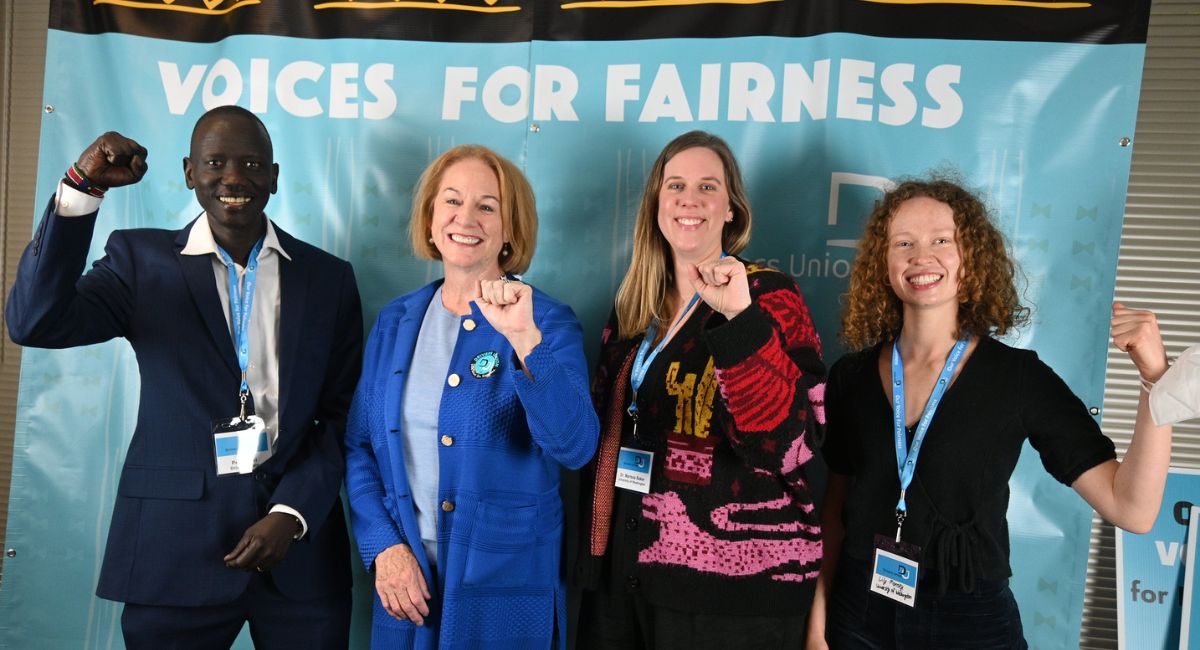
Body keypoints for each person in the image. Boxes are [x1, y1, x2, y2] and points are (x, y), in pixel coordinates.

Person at [5, 105, 362, 648]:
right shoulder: (139, 260)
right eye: (215, 162)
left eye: (251, 163)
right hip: (172, 552)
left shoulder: (328, 278)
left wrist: (291, 514)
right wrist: (82, 189)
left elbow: (339, 417)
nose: (234, 177)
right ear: (189, 172)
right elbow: (35, 321)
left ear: (274, 175)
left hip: (299, 556)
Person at [806, 178, 1172, 649]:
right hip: (860, 611)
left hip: (967, 618)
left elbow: (1132, 509)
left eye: (942, 240)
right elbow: (835, 510)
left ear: (971, 257)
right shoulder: (850, 377)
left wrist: (1154, 382)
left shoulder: (1017, 377)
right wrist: (818, 625)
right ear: (884, 262)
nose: (922, 256)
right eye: (904, 243)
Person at [575, 130, 827, 649]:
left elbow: (786, 445)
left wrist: (738, 321)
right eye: (676, 185)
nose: (690, 200)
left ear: (731, 209)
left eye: (708, 187)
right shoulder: (631, 309)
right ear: (657, 203)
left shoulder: (768, 295)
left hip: (735, 598)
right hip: (627, 579)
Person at [344, 144, 600, 649]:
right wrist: (385, 548)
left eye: (488, 206)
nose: (466, 218)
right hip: (406, 585)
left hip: (506, 591)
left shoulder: (546, 321)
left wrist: (525, 341)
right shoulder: (396, 321)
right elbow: (360, 448)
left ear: (511, 229)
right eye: (452, 201)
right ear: (431, 216)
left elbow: (575, 447)